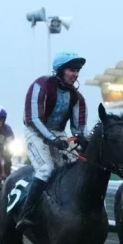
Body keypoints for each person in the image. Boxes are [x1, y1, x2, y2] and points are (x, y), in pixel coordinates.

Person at [17, 51, 88, 232]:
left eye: (78, 71)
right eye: (72, 70)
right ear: (60, 70)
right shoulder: (41, 85)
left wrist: (83, 139)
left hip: (58, 134)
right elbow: (33, 119)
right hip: (35, 132)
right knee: (46, 169)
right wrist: (53, 140)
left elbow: (78, 128)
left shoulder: (77, 97)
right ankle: (26, 214)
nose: (76, 74)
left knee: (77, 165)